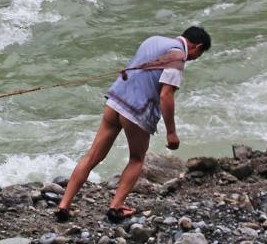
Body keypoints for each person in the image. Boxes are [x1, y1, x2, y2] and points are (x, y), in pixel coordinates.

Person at [56, 26, 211, 223]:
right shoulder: (178, 56)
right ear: (197, 47)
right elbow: (166, 95)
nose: (193, 59)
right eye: (198, 55)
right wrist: (171, 133)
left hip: (115, 101)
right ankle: (116, 207)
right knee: (137, 159)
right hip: (136, 111)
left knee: (93, 156)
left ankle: (64, 205)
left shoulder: (154, 40)